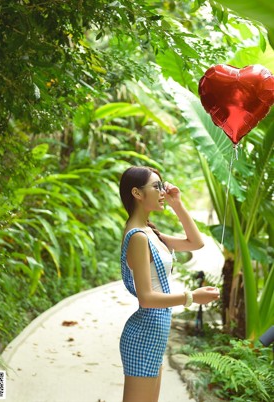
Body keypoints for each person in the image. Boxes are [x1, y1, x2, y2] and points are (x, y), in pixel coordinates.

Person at [119, 165, 220, 402]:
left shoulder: (150, 233)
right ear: (137, 193)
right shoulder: (138, 237)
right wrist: (192, 297)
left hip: (154, 333)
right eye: (156, 186)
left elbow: (196, 243)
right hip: (143, 335)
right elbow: (147, 298)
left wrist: (177, 205)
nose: (162, 191)